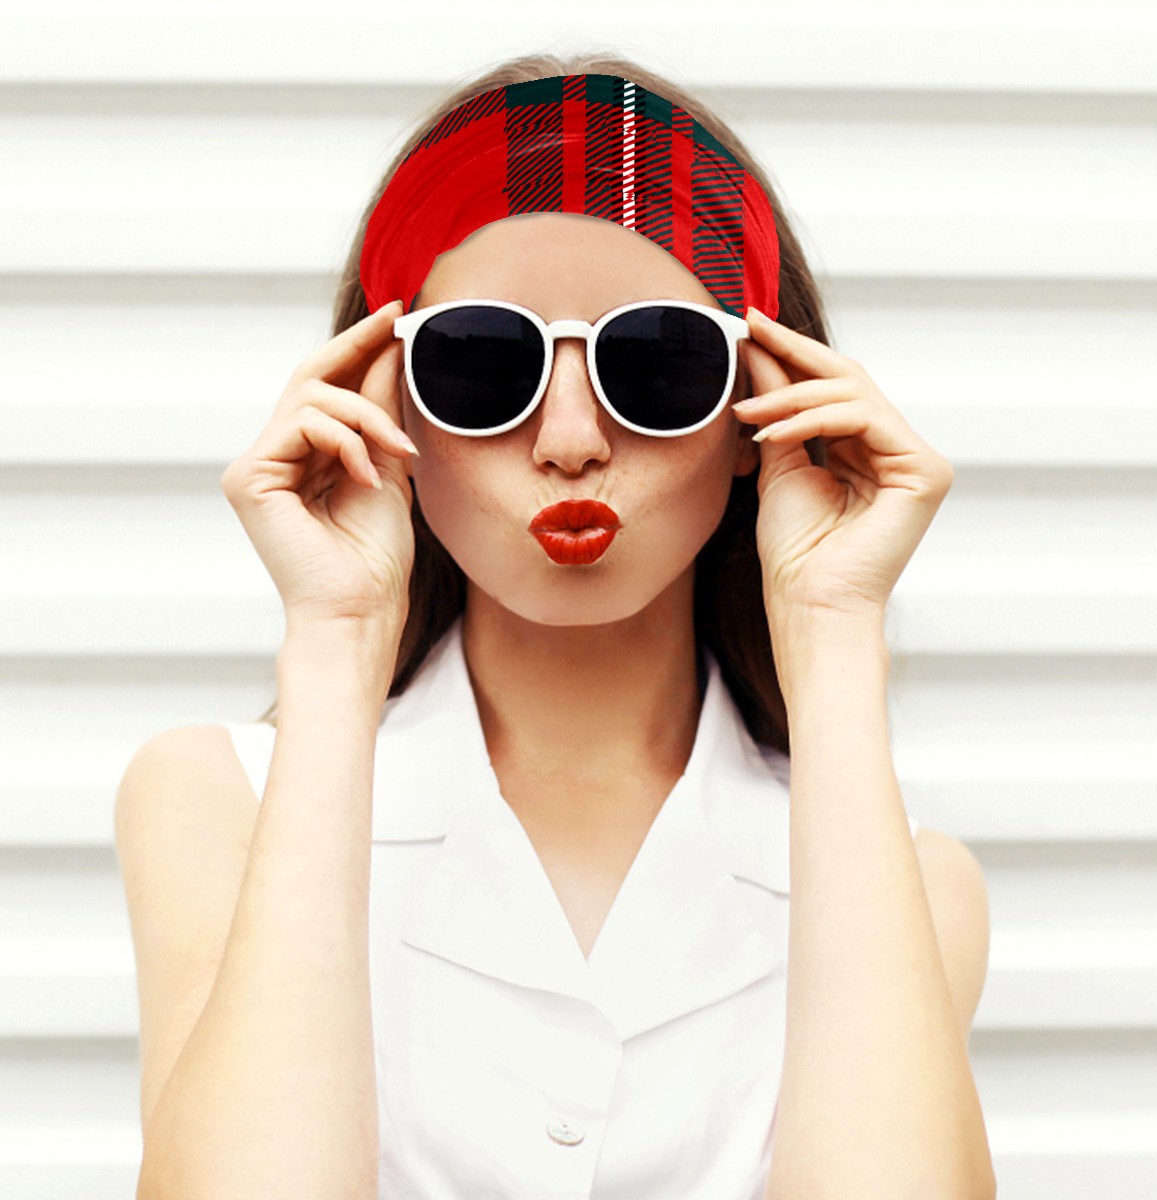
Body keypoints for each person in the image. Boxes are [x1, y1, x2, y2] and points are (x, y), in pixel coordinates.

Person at [114, 54, 996, 1200]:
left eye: (657, 361)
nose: (571, 439)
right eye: (482, 362)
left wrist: (831, 630)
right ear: (382, 404)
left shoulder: (913, 880)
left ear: (759, 410)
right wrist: (337, 634)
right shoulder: (214, 802)